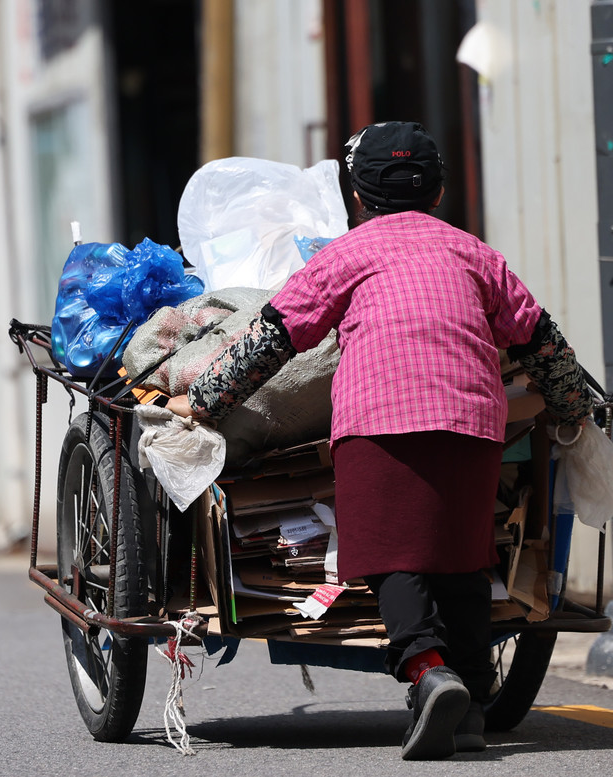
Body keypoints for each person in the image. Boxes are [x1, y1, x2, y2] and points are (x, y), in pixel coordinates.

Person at [166, 122, 592, 760]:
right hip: (473, 420)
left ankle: (428, 671)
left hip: (379, 418)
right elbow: (542, 341)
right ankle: (473, 707)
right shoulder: (477, 255)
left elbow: (273, 338)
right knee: (463, 557)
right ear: (439, 191)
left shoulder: (345, 255)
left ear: (359, 197)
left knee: (388, 552)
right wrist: (575, 408)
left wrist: (203, 400)